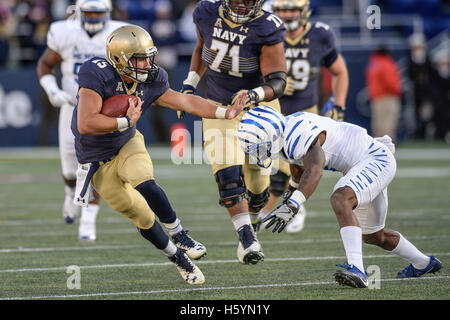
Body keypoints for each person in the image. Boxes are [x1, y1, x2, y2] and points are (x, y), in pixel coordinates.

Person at [72, 25, 246, 284]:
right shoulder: (96, 74)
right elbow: (86, 123)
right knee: (140, 215)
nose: (146, 64)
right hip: (96, 159)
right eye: (139, 59)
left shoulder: (152, 77)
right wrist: (125, 121)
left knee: (143, 178)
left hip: (126, 144)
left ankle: (179, 233)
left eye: (148, 57)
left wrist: (224, 112)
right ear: (120, 59)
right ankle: (177, 257)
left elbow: (185, 101)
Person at [238, 105, 442, 288]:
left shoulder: (296, 132)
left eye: (259, 145)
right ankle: (424, 263)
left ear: (271, 134)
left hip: (375, 158)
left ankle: (358, 270)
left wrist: (294, 204)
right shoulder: (285, 134)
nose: (258, 153)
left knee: (340, 199)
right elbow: (298, 166)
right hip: (363, 163)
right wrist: (291, 192)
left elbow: (315, 169)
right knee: (372, 235)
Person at [178, 0, 287, 265]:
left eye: (247, 1)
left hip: (258, 107)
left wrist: (253, 94)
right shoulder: (204, 11)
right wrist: (190, 84)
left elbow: (278, 81)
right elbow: (202, 48)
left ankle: (254, 213)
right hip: (218, 105)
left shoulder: (267, 27)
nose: (241, 5)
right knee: (227, 176)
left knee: (259, 188)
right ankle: (246, 237)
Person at [36, 0, 127, 241]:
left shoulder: (119, 34)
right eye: (89, 13)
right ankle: (69, 194)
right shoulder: (64, 31)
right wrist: (52, 90)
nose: (94, 18)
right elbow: (45, 64)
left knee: (93, 163)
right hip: (71, 104)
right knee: (68, 166)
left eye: (98, 13)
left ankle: (88, 221)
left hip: (102, 108)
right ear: (78, 12)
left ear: (108, 13)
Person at [257, 0, 349, 234]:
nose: (287, 15)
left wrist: (339, 103)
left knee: (292, 168)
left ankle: (279, 210)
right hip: (274, 110)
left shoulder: (320, 34)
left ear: (304, 11)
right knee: (269, 168)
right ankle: (268, 210)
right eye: (283, 10)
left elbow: (339, 71)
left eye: (293, 10)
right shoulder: (266, 32)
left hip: (307, 113)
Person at [366, 45, 402, 142]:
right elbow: (390, 82)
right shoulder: (386, 63)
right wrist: (397, 91)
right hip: (388, 96)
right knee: (388, 122)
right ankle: (387, 144)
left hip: (376, 97)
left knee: (378, 122)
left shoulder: (374, 63)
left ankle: (378, 144)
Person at [407, 33, 433, 139]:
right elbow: (411, 75)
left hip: (426, 91)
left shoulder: (426, 58)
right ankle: (418, 133)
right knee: (416, 113)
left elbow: (430, 75)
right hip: (416, 91)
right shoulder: (411, 60)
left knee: (426, 113)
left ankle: (425, 133)